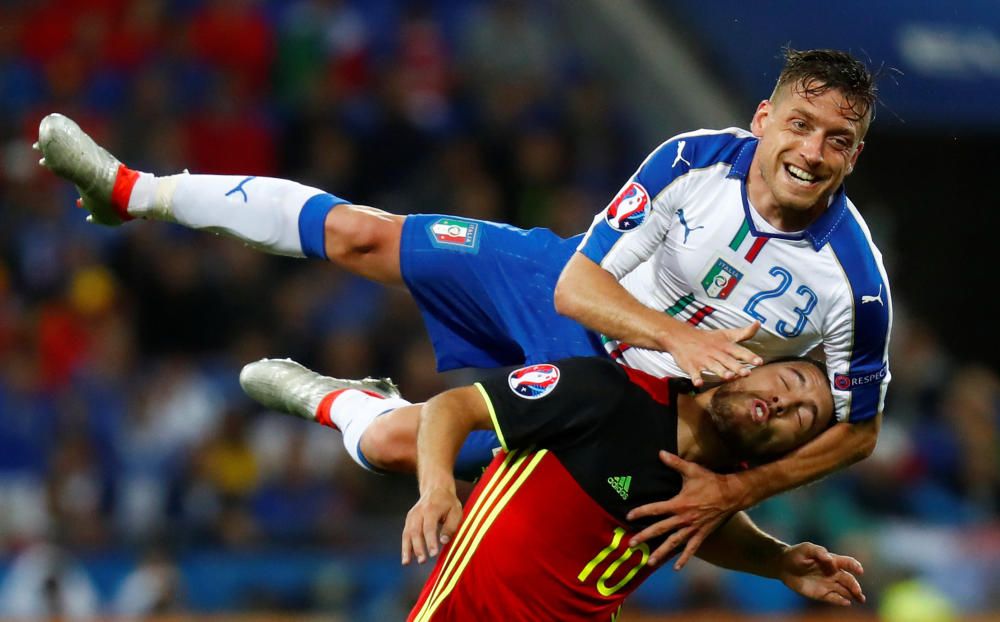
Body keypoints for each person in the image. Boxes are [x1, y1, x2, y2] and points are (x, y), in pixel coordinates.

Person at [35, 47, 890, 567]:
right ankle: (132, 188)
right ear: (763, 117)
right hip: (572, 293)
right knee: (368, 237)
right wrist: (677, 336)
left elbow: (856, 430)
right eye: (801, 123)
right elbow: (574, 284)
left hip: (634, 407)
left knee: (417, 443)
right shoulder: (694, 158)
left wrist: (727, 496)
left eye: (838, 140)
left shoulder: (855, 284)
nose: (812, 152)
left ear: (854, 156)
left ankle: (330, 398)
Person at [237, 355, 865, 620]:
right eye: (785, 381)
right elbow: (454, 407)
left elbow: (695, 529)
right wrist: (435, 492)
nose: (782, 404)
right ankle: (355, 408)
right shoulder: (609, 396)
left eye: (802, 416)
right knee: (390, 441)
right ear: (745, 366)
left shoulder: (716, 493)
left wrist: (778, 560)